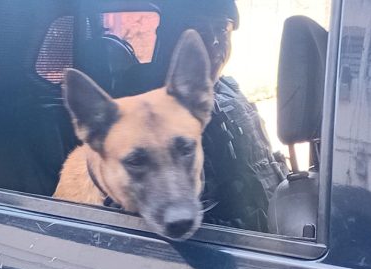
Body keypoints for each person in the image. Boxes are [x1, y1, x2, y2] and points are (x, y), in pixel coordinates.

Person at [115, 0, 288, 232]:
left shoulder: (228, 90)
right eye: (201, 31)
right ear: (171, 36)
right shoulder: (145, 111)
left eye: (222, 30)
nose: (215, 41)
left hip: (271, 229)